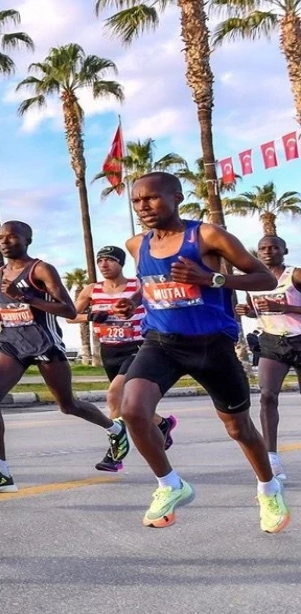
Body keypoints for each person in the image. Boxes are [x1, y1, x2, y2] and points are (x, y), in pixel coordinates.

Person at [115, 172, 288, 532]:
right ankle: (170, 485)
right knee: (131, 409)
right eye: (137, 201)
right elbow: (152, 283)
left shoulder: (207, 236)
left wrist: (211, 279)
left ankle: (268, 489)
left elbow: (265, 279)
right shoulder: (136, 245)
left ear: (176, 197)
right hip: (161, 342)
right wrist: (133, 299)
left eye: (152, 198)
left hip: (211, 346)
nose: (143, 206)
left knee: (239, 428)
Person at [0, 221, 126, 493]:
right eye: (0, 237)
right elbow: (11, 306)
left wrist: (27, 297)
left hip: (45, 344)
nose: (4, 242)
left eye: (12, 237)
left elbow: (68, 310)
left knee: (68, 405)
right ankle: (1, 473)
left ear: (27, 240)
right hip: (11, 343)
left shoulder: (41, 269)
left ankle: (115, 429)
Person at [68, 246, 176, 472]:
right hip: (109, 350)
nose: (104, 264)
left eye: (109, 260)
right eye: (100, 261)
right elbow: (70, 315)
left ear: (121, 263)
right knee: (125, 402)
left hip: (137, 347)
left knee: (114, 394)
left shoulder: (137, 286)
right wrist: (90, 316)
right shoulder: (92, 289)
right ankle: (161, 423)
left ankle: (115, 454)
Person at [235, 235, 301, 482]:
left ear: (284, 250)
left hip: (299, 339)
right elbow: (257, 311)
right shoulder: (254, 281)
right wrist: (248, 311)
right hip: (272, 342)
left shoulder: (295, 275)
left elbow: (281, 308)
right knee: (267, 396)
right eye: (263, 248)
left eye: (274, 247)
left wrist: (287, 308)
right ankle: (271, 457)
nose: (268, 251)